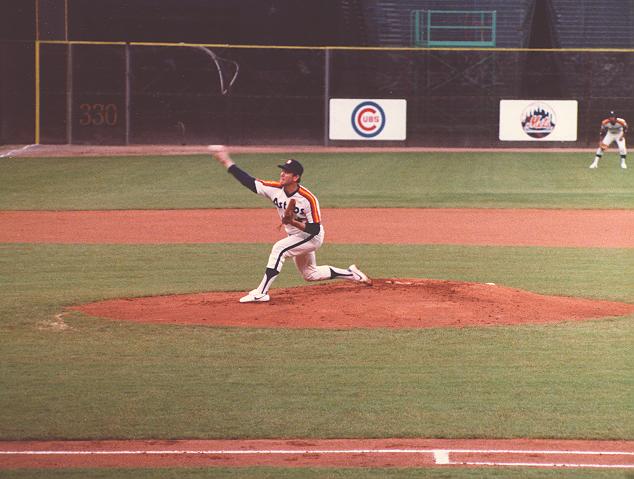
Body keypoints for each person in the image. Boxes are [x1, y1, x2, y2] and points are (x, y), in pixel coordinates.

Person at [210, 146, 371, 303]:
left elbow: (314, 229)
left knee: (279, 249)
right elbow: (249, 182)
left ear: (295, 177)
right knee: (310, 274)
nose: (282, 173)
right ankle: (352, 274)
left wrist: (293, 222)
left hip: (311, 237)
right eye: (282, 170)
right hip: (295, 236)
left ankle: (261, 293)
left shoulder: (308, 199)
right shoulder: (275, 189)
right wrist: (227, 162)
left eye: (286, 172)